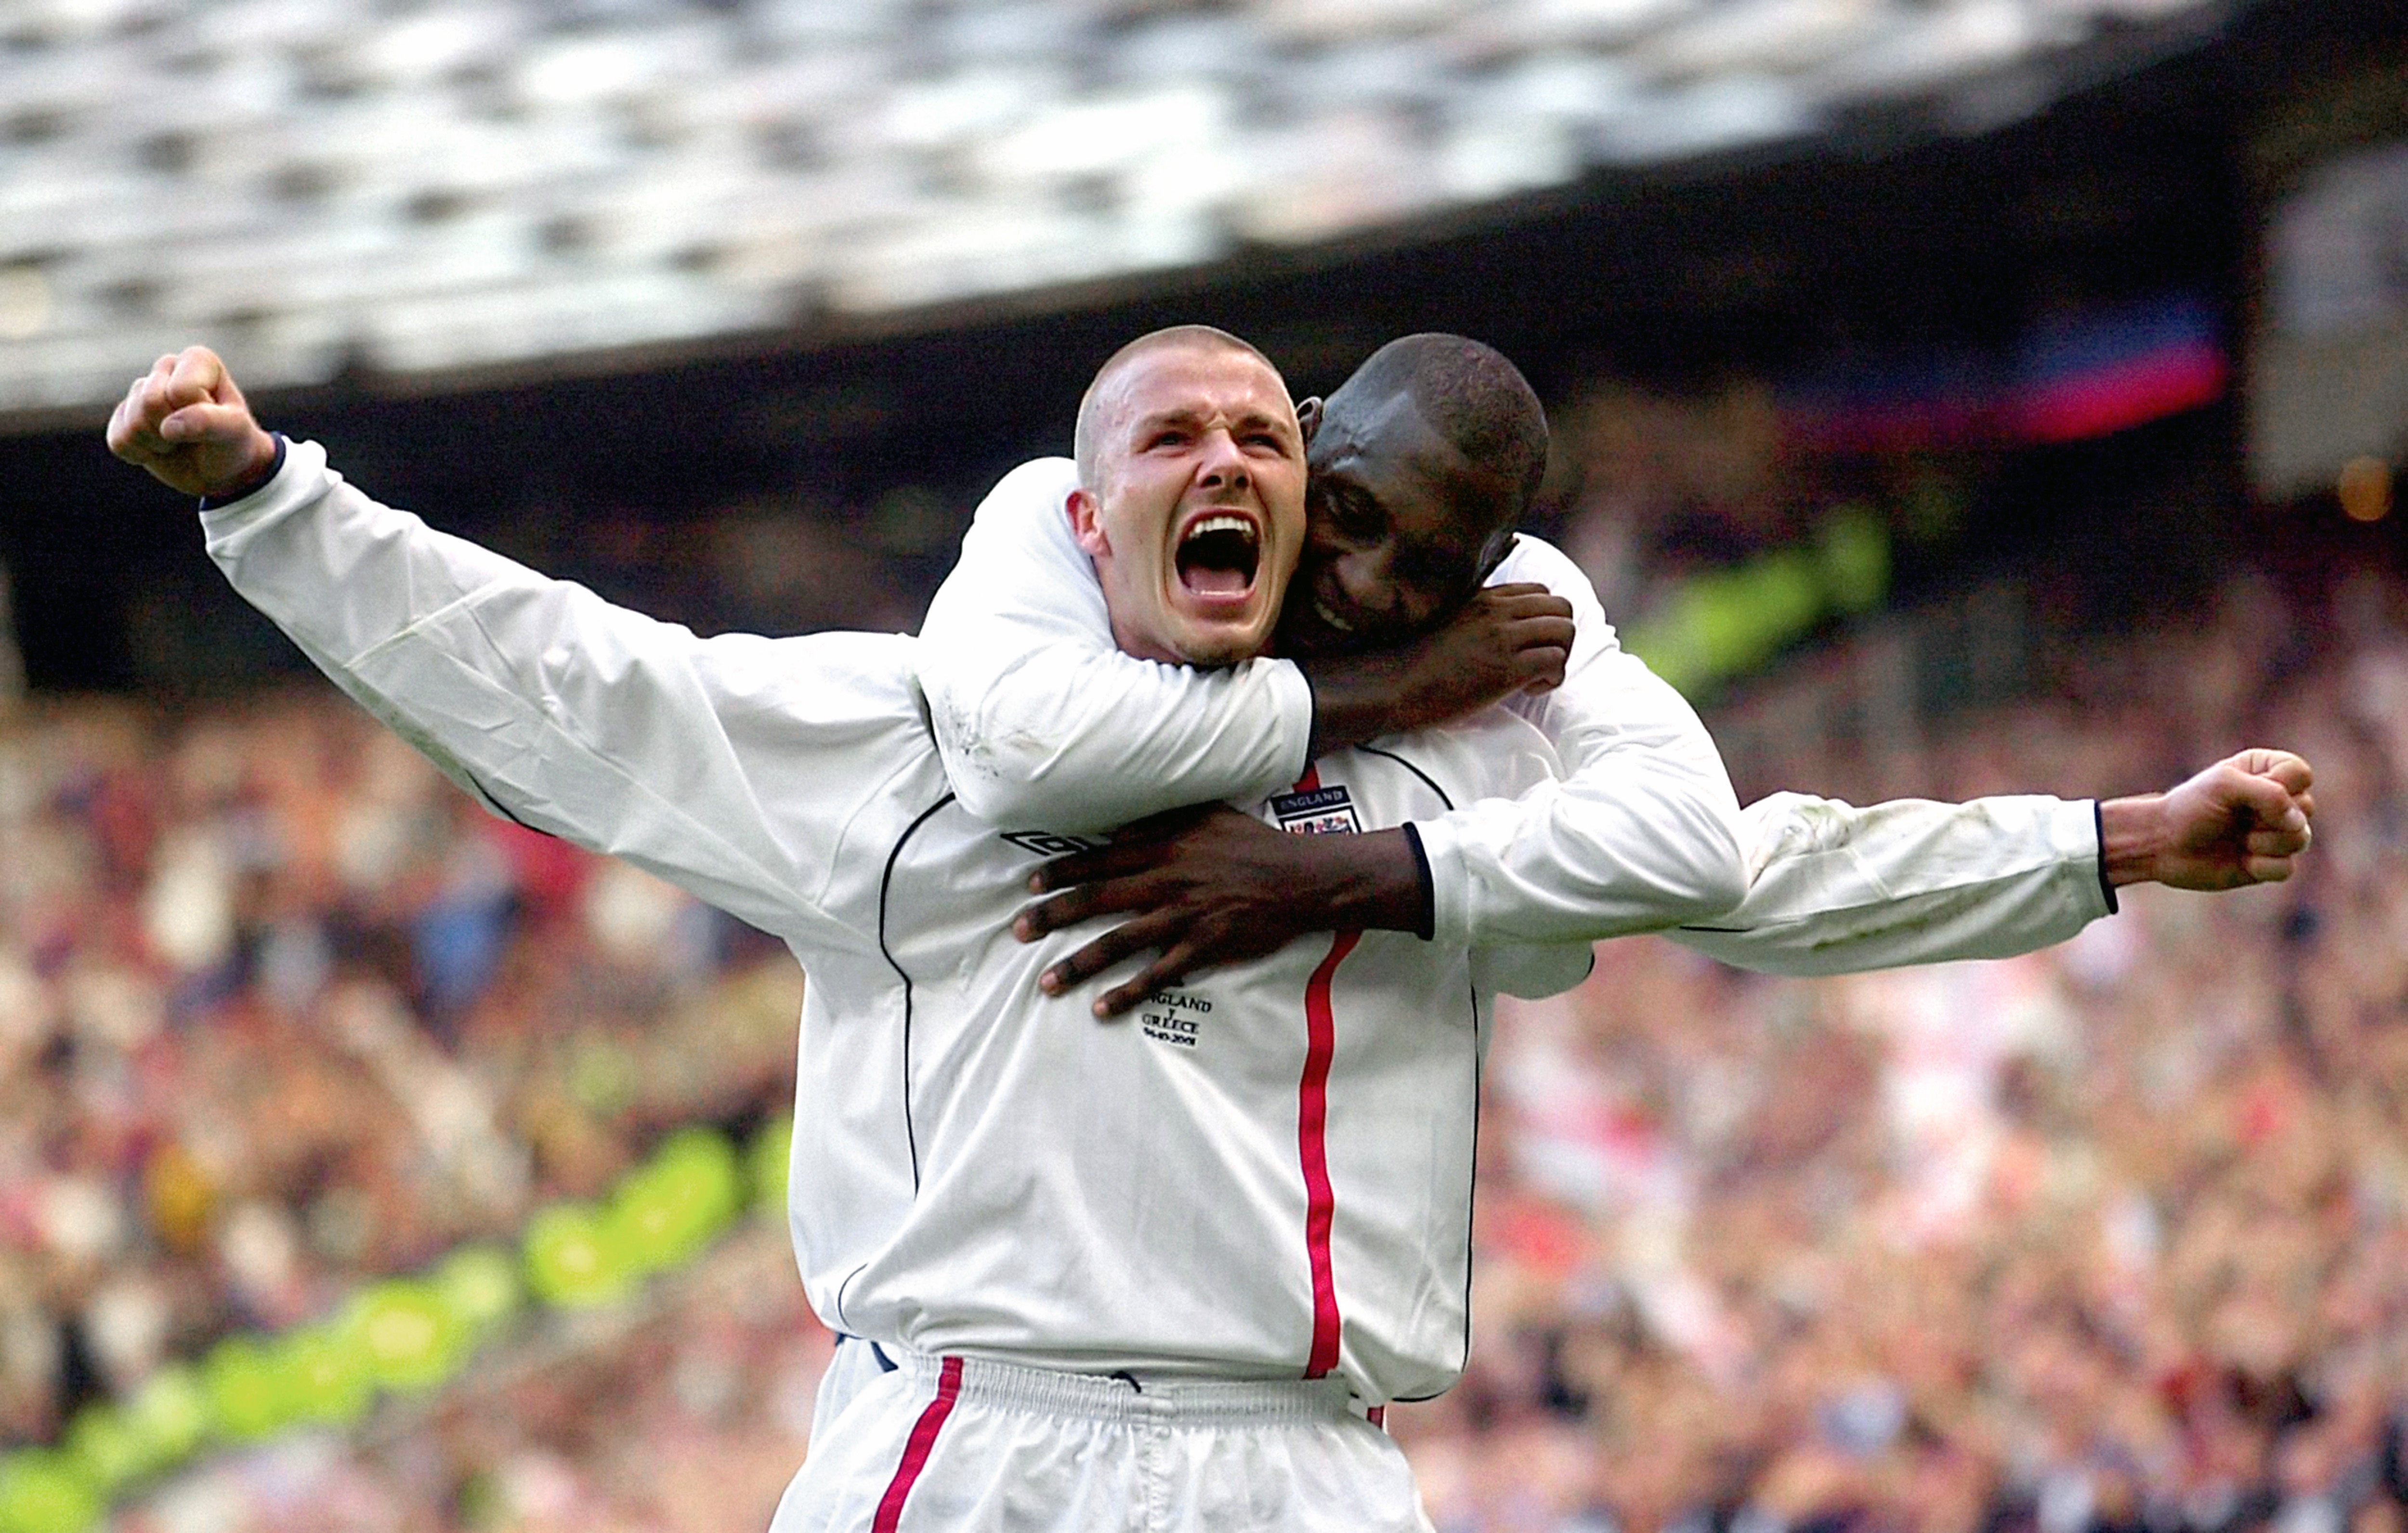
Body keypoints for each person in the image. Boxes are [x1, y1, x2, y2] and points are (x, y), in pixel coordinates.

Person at [108, 336, 2310, 1531]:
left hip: (1308, 1462)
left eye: (1271, 433)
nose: (1230, 462)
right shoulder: (919, 738)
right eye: (1175, 434)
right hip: (970, 1449)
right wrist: (275, 507)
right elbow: (583, 687)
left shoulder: (1457, 773)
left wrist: (2100, 838)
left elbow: (1756, 869)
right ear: (1088, 517)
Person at [911, 332, 2314, 1017]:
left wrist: (2120, 839)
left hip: (1314, 1412)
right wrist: (1386, 693)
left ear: (1494, 561)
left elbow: (1723, 860)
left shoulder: (1517, 635)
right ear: (1308, 440)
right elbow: (1016, 748)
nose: (1361, 584)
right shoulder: (1075, 533)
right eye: (1345, 514)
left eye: (1426, 563)